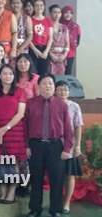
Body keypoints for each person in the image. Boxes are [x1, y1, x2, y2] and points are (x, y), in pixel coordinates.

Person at [24, 74, 74, 217]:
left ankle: (55, 210)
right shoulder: (31, 103)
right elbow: (25, 126)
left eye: (50, 84)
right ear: (39, 86)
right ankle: (35, 209)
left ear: (54, 87)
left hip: (56, 146)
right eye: (44, 83)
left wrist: (67, 148)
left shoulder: (62, 105)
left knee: (57, 179)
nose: (47, 86)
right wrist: (27, 145)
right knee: (36, 178)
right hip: (35, 146)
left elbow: (68, 129)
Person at [0, 64, 26, 204]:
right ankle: (3, 193)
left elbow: (20, 113)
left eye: (10, 74)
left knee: (13, 162)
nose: (8, 76)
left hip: (14, 130)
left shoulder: (20, 92)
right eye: (4, 73)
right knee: (0, 161)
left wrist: (5, 128)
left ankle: (12, 192)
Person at [55, 81, 83, 215]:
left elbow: (78, 126)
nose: (63, 92)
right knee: (57, 175)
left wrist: (77, 145)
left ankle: (67, 203)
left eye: (65, 90)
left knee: (69, 175)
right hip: (54, 145)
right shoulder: (52, 104)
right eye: (60, 90)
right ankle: (57, 202)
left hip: (70, 146)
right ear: (55, 91)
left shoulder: (74, 106)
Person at [29, 0, 54, 75]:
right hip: (33, 49)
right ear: (33, 7)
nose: (39, 7)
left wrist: (46, 51)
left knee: (44, 73)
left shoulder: (48, 20)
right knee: (33, 73)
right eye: (36, 5)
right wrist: (37, 51)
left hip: (45, 49)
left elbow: (50, 37)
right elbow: (28, 38)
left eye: (41, 5)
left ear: (44, 7)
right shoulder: (30, 19)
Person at [48, 5, 70, 75]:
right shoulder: (47, 26)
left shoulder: (64, 27)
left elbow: (67, 43)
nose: (57, 14)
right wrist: (51, 55)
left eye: (59, 12)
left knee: (60, 77)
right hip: (50, 56)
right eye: (54, 12)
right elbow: (45, 43)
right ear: (50, 13)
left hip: (61, 57)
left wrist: (64, 55)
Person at [59, 6, 81, 75]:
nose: (68, 15)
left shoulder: (76, 27)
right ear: (62, 13)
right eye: (66, 12)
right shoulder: (58, 25)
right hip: (57, 53)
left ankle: (66, 86)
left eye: (70, 13)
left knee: (67, 72)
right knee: (56, 72)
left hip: (70, 53)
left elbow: (77, 42)